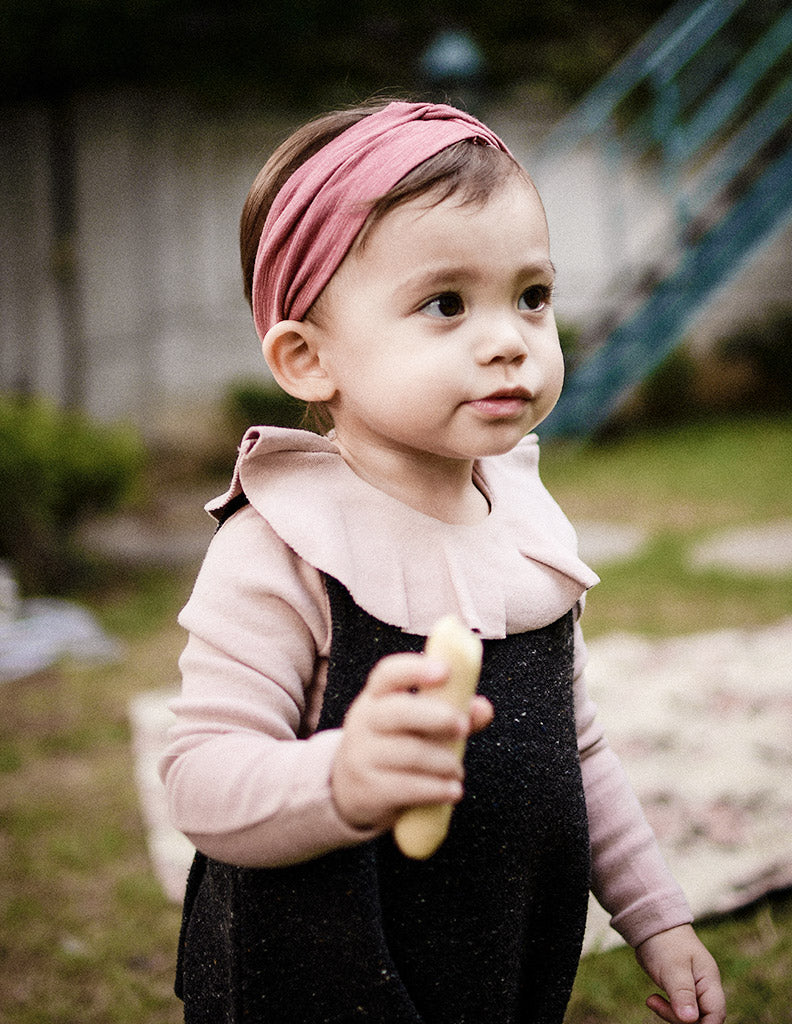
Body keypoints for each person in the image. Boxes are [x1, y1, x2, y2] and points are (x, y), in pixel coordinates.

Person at [160, 99, 726, 1024]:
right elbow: (199, 779)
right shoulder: (283, 548)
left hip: (496, 960)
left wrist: (658, 919)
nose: (509, 338)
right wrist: (338, 778)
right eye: (446, 303)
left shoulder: (527, 523)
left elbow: (575, 751)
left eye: (532, 296)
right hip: (314, 977)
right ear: (308, 358)